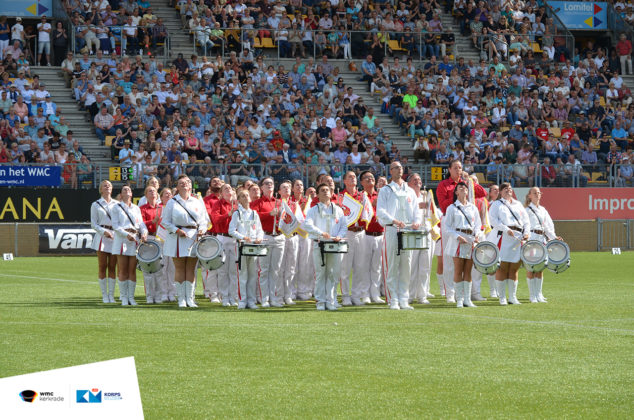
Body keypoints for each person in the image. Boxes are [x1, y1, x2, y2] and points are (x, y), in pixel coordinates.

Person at [436, 159, 487, 303]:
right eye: (455, 168)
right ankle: (450, 292)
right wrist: (457, 196)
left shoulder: (466, 183)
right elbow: (443, 206)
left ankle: (472, 292)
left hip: (468, 222)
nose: (458, 170)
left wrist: (470, 181)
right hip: (451, 220)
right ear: (449, 169)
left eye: (460, 167)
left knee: (470, 260)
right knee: (449, 260)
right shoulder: (443, 185)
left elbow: (482, 192)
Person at [376, 161, 422, 310]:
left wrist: (417, 222)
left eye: (401, 167)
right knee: (392, 265)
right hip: (392, 229)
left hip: (407, 230)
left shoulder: (409, 190)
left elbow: (416, 211)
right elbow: (380, 211)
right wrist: (394, 220)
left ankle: (404, 298)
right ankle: (393, 299)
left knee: (406, 265)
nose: (399, 170)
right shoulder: (386, 190)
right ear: (390, 171)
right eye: (396, 167)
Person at [161, 175, 208, 308]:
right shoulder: (172, 202)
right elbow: (165, 222)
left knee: (191, 269)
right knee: (180, 268)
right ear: (177, 186)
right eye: (181, 183)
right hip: (178, 237)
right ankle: (181, 299)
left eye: (187, 182)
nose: (184, 184)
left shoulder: (197, 201)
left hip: (193, 237)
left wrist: (202, 230)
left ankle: (190, 299)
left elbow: (204, 220)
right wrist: (177, 230)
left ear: (191, 185)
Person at [303, 183, 347, 310]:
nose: (325, 192)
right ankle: (321, 301)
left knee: (333, 273)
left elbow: (344, 226)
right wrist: (321, 233)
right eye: (322, 190)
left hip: (334, 244)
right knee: (321, 273)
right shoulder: (313, 210)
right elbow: (307, 224)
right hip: (319, 243)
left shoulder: (338, 210)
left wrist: (339, 236)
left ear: (332, 193)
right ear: (317, 194)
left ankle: (331, 300)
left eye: (327, 190)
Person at [488, 183, 530, 305]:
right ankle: (502, 297)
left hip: (518, 237)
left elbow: (526, 221)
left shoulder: (518, 204)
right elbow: (493, 220)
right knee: (502, 267)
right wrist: (506, 229)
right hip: (504, 237)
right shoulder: (496, 204)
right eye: (505, 189)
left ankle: (512, 297)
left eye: (510, 188)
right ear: (500, 192)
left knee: (514, 268)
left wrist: (526, 233)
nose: (508, 190)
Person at [444, 182, 484, 308]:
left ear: (468, 191)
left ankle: (467, 299)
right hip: (458, 240)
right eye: (460, 187)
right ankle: (459, 299)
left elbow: (478, 225)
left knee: (468, 270)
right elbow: (447, 227)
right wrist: (457, 237)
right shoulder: (452, 208)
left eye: (465, 187)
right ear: (456, 192)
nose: (463, 188)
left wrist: (477, 234)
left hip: (470, 239)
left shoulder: (473, 208)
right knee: (458, 269)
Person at [251, 177, 286, 308]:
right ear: (262, 188)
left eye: (271, 183)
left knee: (275, 270)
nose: (269, 185)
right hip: (265, 236)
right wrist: (269, 214)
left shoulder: (280, 202)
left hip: (279, 237)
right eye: (266, 183)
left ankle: (274, 298)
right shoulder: (257, 202)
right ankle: (264, 298)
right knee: (264, 270)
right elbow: (253, 217)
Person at [112, 184, 148, 306]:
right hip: (122, 240)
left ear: (131, 194)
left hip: (134, 240)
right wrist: (126, 234)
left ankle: (131, 297)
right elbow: (115, 226)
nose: (127, 191)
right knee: (123, 269)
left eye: (129, 189)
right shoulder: (116, 207)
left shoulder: (136, 208)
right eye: (124, 190)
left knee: (132, 269)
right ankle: (123, 297)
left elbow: (141, 224)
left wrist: (144, 232)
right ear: (121, 194)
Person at [229, 189, 264, 309]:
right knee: (242, 274)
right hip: (241, 246)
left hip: (253, 246)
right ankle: (242, 301)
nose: (245, 198)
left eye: (247, 195)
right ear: (238, 200)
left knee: (253, 274)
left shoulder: (254, 213)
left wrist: (259, 238)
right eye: (242, 196)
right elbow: (231, 230)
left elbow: (259, 230)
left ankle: (251, 301)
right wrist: (243, 237)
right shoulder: (237, 213)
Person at [524, 187, 560, 303]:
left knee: (540, 267)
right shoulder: (526, 210)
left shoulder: (543, 210)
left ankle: (539, 294)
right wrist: (526, 239)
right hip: (532, 239)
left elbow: (548, 226)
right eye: (534, 193)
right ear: (529, 196)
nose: (537, 194)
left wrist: (554, 237)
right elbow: (524, 226)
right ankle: (532, 295)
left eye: (539, 192)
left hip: (542, 239)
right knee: (531, 267)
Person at [338, 171, 366, 306]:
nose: (353, 179)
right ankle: (345, 296)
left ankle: (356, 295)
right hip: (347, 233)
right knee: (345, 267)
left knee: (359, 267)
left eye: (354, 177)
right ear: (344, 181)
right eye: (350, 177)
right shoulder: (340, 197)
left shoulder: (362, 196)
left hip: (360, 232)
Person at [210, 183, 239, 306]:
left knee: (233, 271)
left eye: (230, 188)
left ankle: (233, 297)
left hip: (235, 239)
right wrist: (228, 214)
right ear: (221, 193)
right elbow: (215, 219)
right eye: (225, 188)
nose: (228, 190)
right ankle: (225, 297)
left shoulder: (237, 204)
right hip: (222, 237)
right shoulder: (218, 204)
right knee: (222, 271)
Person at [407, 173, 434, 305]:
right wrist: (419, 206)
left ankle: (422, 295)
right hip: (412, 233)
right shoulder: (407, 197)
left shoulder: (426, 196)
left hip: (426, 233)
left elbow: (432, 215)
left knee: (425, 266)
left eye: (419, 179)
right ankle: (410, 295)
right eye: (414, 180)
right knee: (412, 266)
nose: (417, 182)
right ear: (409, 183)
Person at [90, 180, 118, 303]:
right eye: (105, 185)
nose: (107, 187)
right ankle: (104, 295)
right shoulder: (95, 204)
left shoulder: (117, 204)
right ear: (101, 189)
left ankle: (111, 295)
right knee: (102, 266)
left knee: (112, 266)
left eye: (109, 185)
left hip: (114, 236)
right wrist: (104, 232)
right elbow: (93, 224)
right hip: (102, 237)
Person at [359, 171, 385, 303]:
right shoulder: (360, 196)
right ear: (361, 182)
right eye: (366, 178)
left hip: (380, 234)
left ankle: (375, 293)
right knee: (364, 266)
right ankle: (365, 293)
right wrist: (372, 204)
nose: (370, 179)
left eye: (372, 177)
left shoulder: (381, 195)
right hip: (366, 234)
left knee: (377, 267)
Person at [139, 185, 161, 304]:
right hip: (148, 238)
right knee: (148, 270)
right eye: (149, 191)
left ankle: (158, 296)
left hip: (160, 239)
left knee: (159, 269)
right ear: (146, 195)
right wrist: (152, 222)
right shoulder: (142, 209)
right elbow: (140, 223)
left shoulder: (161, 208)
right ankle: (149, 296)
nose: (152, 193)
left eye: (154, 191)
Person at [155, 187, 176, 302]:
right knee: (163, 267)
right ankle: (163, 293)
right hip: (161, 239)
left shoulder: (175, 207)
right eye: (165, 194)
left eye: (170, 194)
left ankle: (172, 293)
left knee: (172, 268)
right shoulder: (158, 208)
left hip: (172, 238)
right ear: (161, 197)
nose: (168, 195)